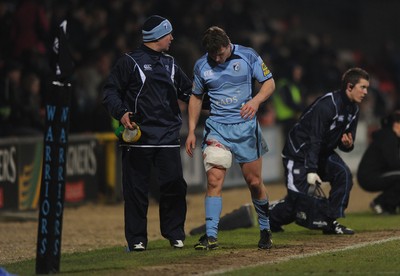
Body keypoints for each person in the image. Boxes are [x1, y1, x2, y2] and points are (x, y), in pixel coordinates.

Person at [103, 15, 192, 251]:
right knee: (136, 190)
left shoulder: (171, 63)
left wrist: (219, 102)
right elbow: (110, 92)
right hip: (138, 137)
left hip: (167, 137)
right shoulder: (129, 62)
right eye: (169, 33)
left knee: (174, 185)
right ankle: (137, 239)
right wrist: (121, 113)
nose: (172, 38)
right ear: (158, 36)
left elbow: (190, 93)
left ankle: (174, 233)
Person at [185, 26, 276, 250]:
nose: (217, 58)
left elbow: (269, 83)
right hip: (217, 128)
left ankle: (265, 229)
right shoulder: (201, 65)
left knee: (254, 183)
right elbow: (196, 98)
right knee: (214, 180)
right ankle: (211, 235)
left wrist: (255, 102)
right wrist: (190, 130)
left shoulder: (248, 55)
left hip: (245, 128)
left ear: (228, 44)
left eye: (221, 53)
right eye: (213, 54)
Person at [269, 67, 370, 235]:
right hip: (298, 155)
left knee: (343, 175)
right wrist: (311, 170)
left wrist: (347, 144)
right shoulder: (327, 105)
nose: (366, 92)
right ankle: (270, 216)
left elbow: (347, 142)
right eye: (363, 87)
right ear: (350, 87)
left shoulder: (354, 110)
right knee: (298, 203)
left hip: (322, 153)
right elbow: (314, 138)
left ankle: (330, 221)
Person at [357, 111, 400, 215]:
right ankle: (380, 203)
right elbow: (393, 163)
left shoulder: (389, 136)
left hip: (373, 175)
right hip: (370, 176)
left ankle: (389, 207)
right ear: (396, 125)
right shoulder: (388, 137)